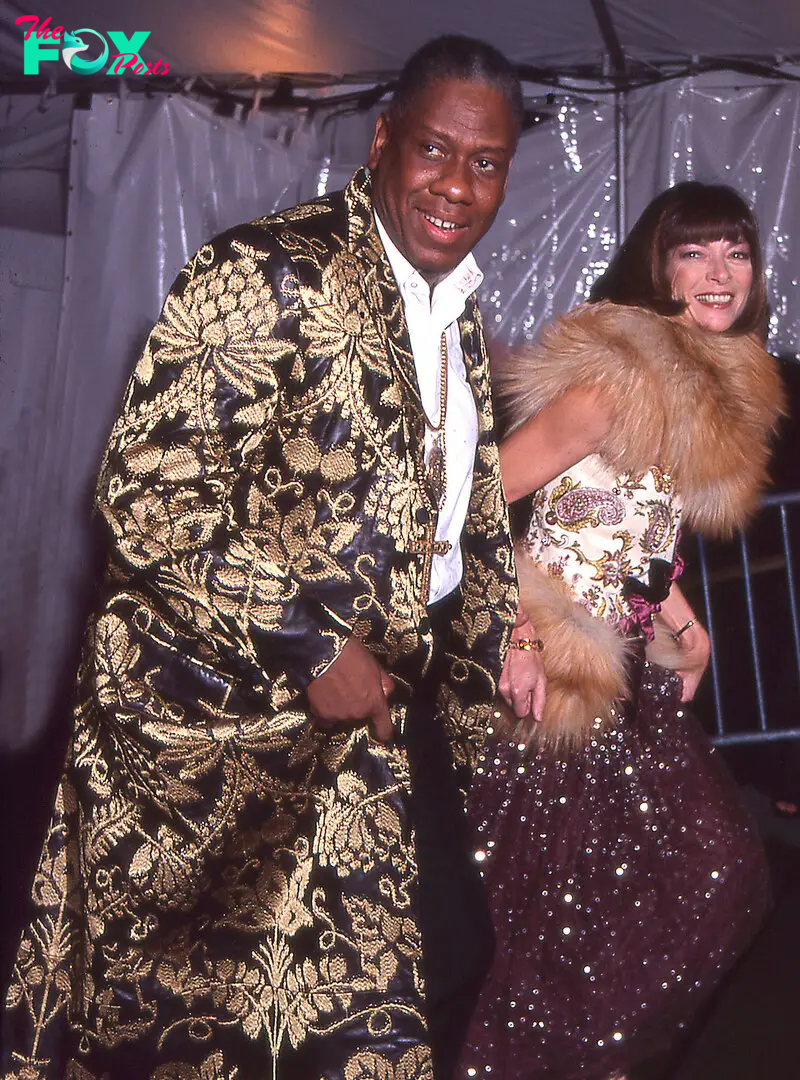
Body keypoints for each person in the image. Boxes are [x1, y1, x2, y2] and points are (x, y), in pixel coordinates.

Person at [2, 36, 539, 1080]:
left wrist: (491, 635)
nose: (457, 184)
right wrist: (307, 641)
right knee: (190, 1033)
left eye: (486, 161)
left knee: (419, 978)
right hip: (221, 739)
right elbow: (149, 486)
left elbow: (447, 507)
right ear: (382, 140)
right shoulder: (269, 267)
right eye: (435, 149)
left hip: (369, 731)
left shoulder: (455, 312)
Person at [458, 182, 785, 1080]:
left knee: (714, 880)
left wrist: (686, 622)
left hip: (631, 670)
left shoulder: (704, 386)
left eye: (737, 252)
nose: (720, 274)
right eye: (695, 252)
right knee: (537, 928)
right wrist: (518, 631)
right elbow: (480, 500)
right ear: (658, 265)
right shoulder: (616, 381)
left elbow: (636, 522)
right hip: (555, 680)